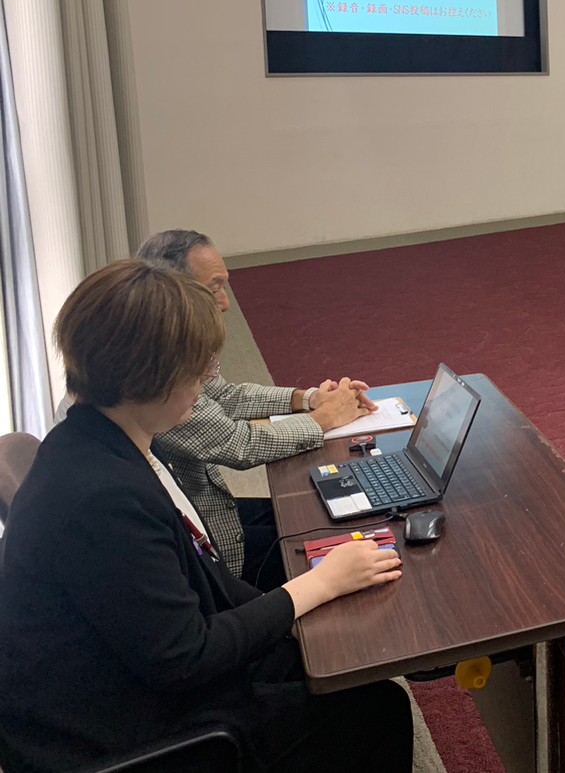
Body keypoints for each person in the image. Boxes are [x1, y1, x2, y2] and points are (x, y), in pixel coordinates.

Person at [0, 260, 412, 773]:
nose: (204, 385)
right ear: (146, 377)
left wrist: (292, 611)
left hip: (124, 674)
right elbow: (184, 658)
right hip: (116, 732)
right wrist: (318, 586)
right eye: (194, 372)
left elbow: (199, 572)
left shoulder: (92, 442)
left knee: (329, 658)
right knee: (376, 710)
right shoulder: (101, 499)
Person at [136, 229, 375, 585]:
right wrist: (324, 418)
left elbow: (226, 396)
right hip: (212, 553)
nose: (226, 303)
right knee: (341, 539)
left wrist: (308, 399)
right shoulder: (157, 377)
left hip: (211, 512)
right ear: (172, 291)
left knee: (320, 513)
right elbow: (239, 444)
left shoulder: (161, 344)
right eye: (214, 288)